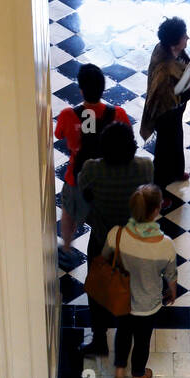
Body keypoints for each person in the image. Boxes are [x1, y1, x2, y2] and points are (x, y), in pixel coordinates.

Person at [79, 123, 154, 357]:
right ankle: (127, 333)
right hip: (136, 241)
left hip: (103, 240)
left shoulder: (92, 169)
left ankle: (99, 339)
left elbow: (83, 190)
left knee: (97, 289)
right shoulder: (145, 167)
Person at [101, 184, 177, 378]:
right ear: (155, 210)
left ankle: (118, 372)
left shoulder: (116, 234)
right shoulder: (165, 245)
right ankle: (137, 376)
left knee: (123, 333)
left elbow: (105, 258)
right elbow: (170, 274)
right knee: (142, 341)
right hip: (147, 304)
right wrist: (172, 290)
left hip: (122, 299)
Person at [54, 63, 131, 269]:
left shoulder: (68, 115)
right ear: (103, 88)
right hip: (109, 180)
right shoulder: (118, 114)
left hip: (77, 178)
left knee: (69, 213)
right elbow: (127, 139)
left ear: (81, 89)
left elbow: (59, 134)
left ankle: (67, 249)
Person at [140, 17, 190, 212]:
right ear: (175, 41)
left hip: (174, 113)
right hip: (164, 114)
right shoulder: (164, 70)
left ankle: (175, 172)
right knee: (163, 152)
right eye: (184, 37)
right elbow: (167, 101)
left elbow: (184, 62)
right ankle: (157, 194)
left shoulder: (168, 48)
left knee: (176, 140)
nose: (188, 39)